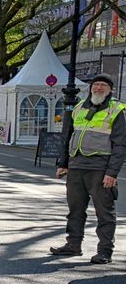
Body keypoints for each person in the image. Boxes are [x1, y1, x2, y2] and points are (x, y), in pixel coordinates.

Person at [49, 73, 125, 264]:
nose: (98, 88)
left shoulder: (116, 110)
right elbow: (67, 136)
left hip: (100, 169)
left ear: (110, 90)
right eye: (96, 85)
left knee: (104, 212)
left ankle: (105, 251)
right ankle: (73, 245)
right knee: (75, 209)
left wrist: (112, 173)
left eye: (103, 86)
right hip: (76, 167)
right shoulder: (79, 107)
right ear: (91, 88)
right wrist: (63, 164)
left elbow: (120, 144)